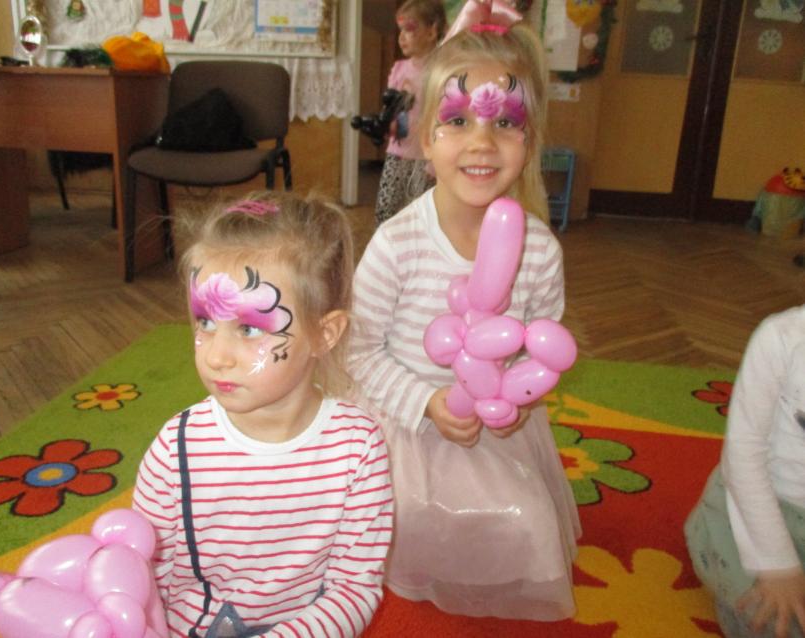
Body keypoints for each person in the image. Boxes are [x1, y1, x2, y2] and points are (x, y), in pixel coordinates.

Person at [347, 0, 580, 621]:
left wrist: (518, 400)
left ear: (529, 141)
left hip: (493, 424)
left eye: (505, 122)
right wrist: (426, 403)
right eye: (456, 120)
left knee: (525, 524)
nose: (482, 141)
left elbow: (538, 348)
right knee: (399, 521)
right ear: (425, 138)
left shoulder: (539, 251)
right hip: (406, 419)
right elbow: (359, 350)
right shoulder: (397, 243)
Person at [133, 192, 394, 638]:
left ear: (324, 334)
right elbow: (145, 578)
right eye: (205, 322)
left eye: (250, 328)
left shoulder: (358, 447)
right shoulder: (175, 449)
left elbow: (353, 588)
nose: (217, 356)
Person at [686, 305, 805, 638]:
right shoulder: (782, 337)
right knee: (774, 620)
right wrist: (777, 564)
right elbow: (743, 454)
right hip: (760, 512)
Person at [373, 0, 446, 226]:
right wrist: (389, 125)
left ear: (432, 31)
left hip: (427, 158)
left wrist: (435, 163)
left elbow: (445, 117)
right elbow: (392, 110)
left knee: (422, 214)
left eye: (409, 30)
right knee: (386, 210)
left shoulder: (442, 71)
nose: (401, 37)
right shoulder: (399, 69)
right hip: (398, 153)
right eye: (400, 30)